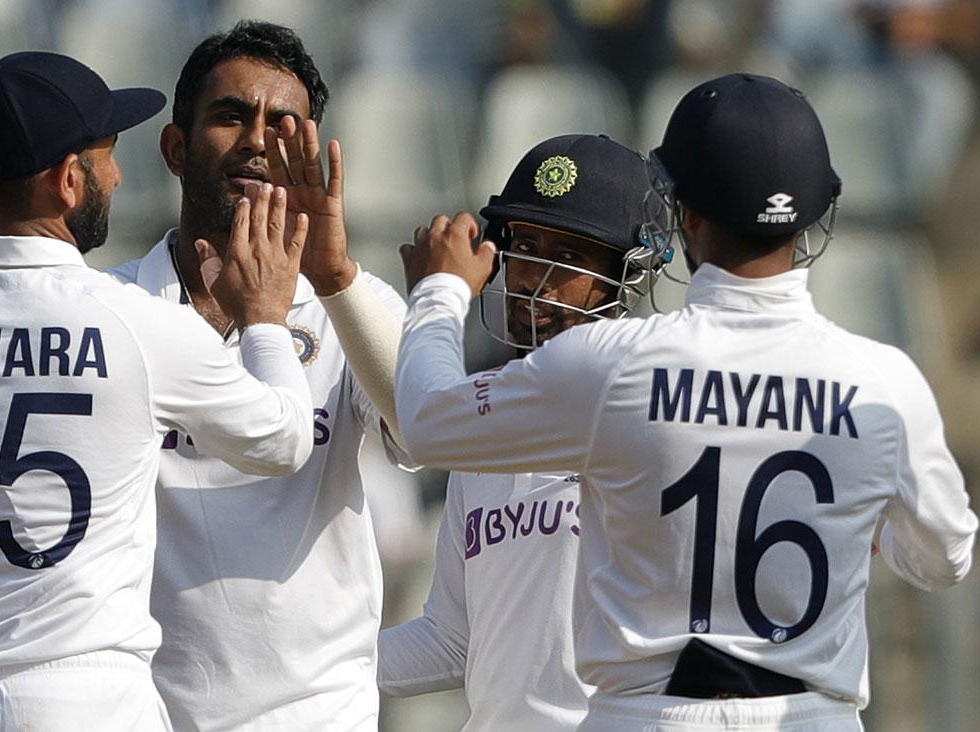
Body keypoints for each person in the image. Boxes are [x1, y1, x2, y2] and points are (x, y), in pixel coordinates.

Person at [394, 73, 977, 730]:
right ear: (817, 214)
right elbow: (947, 557)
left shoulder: (607, 363)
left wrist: (440, 291)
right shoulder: (887, 380)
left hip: (646, 714)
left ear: (684, 213)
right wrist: (868, 529)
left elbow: (425, 422)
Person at [0, 51, 315, 731]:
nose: (118, 172)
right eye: (106, 156)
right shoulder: (135, 322)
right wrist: (265, 319)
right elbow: (283, 440)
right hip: (81, 695)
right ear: (69, 181)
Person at [106, 21, 410, 731]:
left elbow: (428, 432)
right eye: (230, 116)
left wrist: (333, 278)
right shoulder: (112, 313)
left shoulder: (352, 308)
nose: (256, 140)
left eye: (284, 125)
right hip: (146, 711)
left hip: (319, 715)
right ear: (176, 148)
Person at [378, 134, 666, 729]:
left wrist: (438, 292)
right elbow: (455, 640)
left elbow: (423, 418)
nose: (537, 276)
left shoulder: (646, 410)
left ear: (627, 274)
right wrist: (299, 664)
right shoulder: (486, 424)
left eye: (571, 256)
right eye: (527, 246)